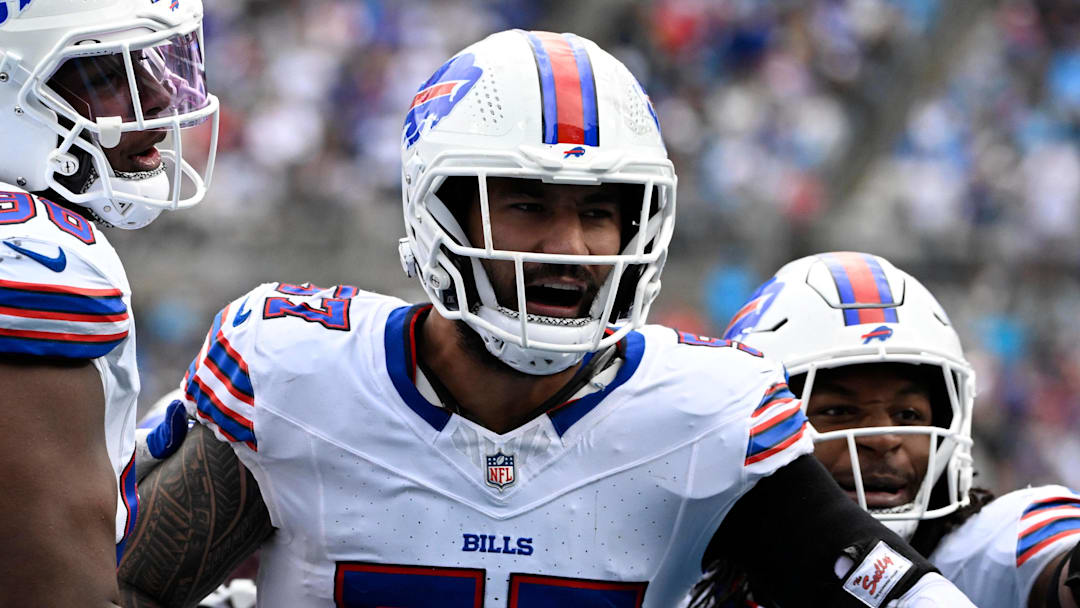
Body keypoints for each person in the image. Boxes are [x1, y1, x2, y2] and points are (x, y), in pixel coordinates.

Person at [118, 30, 974, 607]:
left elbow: (890, 592)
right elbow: (127, 589)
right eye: (527, 204)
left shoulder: (707, 410)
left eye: (601, 212)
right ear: (439, 211)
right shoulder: (298, 372)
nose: (570, 247)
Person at [710, 251, 1079, 608]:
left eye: (908, 414)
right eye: (839, 411)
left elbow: (1061, 568)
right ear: (756, 421)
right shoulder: (690, 568)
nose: (884, 438)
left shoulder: (988, 545)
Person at [0, 0, 218, 604]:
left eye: (147, 61)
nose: (159, 95)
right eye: (104, 74)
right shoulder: (33, 257)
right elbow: (54, 591)